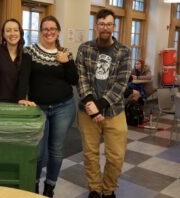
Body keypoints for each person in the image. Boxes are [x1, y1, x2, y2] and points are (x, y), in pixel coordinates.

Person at [18, 15, 78, 197]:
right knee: (37, 152)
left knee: (56, 150)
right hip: (39, 109)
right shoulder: (29, 51)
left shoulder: (66, 53)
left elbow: (74, 80)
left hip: (64, 107)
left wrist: (66, 63)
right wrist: (21, 97)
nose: (49, 32)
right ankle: (34, 186)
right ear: (41, 31)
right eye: (45, 29)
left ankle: (49, 187)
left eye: (53, 29)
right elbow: (24, 77)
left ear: (58, 31)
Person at [75, 9, 131, 198]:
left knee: (116, 156)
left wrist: (100, 105)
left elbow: (121, 83)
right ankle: (95, 189)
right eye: (101, 24)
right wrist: (91, 105)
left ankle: (108, 190)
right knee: (90, 155)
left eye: (109, 24)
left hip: (114, 111)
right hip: (87, 112)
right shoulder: (85, 49)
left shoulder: (124, 51)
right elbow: (80, 77)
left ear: (114, 26)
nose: (105, 27)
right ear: (96, 26)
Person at [0, 18, 32, 103]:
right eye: (8, 30)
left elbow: (23, 81)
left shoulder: (26, 57)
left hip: (16, 103)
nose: (12, 33)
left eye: (16, 30)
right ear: (3, 34)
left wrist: (22, 99)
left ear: (20, 33)